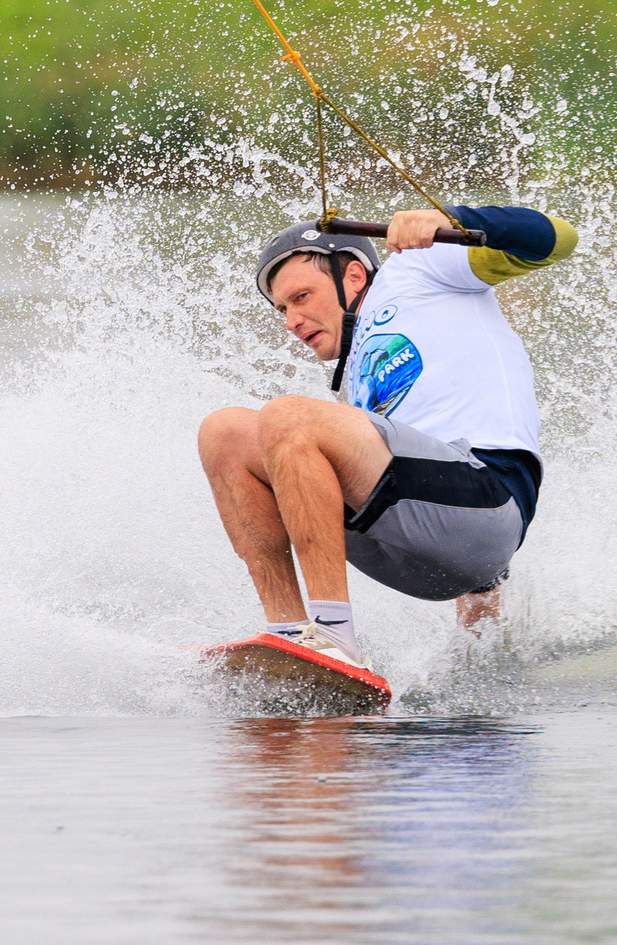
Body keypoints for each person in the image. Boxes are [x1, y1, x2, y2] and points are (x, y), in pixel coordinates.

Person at [196, 203, 578, 671]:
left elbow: (558, 238)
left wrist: (448, 219)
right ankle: (289, 636)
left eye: (301, 297)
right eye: (282, 309)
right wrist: (484, 632)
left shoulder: (419, 269)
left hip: (489, 500)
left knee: (286, 416)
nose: (291, 321)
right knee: (225, 432)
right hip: (422, 553)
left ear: (354, 275)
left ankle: (332, 635)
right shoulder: (359, 382)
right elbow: (417, 475)